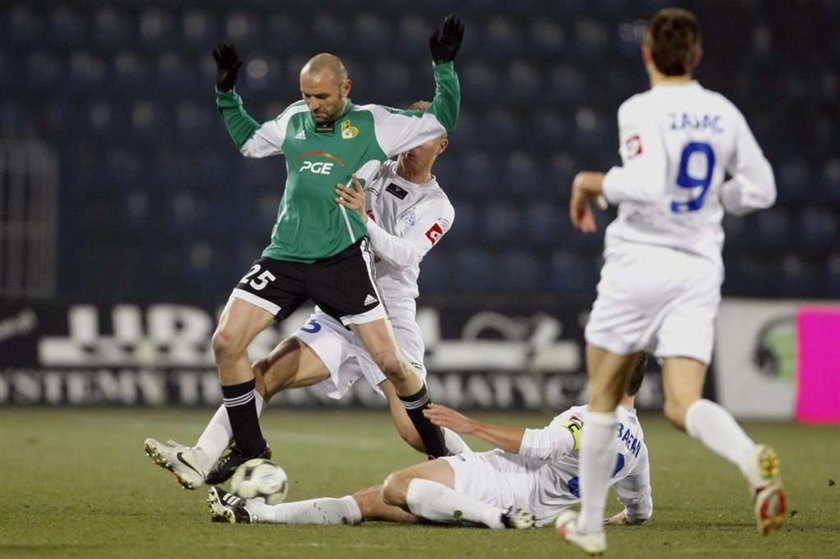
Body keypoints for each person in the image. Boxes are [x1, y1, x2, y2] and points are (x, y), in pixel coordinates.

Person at [167, 15, 465, 485]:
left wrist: (444, 66)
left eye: (321, 96)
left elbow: (406, 254)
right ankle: (221, 452)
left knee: (408, 413)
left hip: (379, 298)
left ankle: (466, 469)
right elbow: (250, 141)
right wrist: (227, 94)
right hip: (309, 277)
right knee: (248, 357)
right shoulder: (322, 135)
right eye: (307, 96)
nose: (313, 105)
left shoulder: (431, 195)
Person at [556, 8, 783, 555]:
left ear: (647, 54)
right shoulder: (721, 111)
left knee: (605, 394)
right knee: (683, 403)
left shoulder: (640, 108)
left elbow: (649, 183)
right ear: (698, 56)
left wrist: (590, 182)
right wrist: (714, 201)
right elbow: (762, 189)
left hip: (641, 259)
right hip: (699, 265)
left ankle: (589, 524)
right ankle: (749, 456)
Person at [206, 359, 652, 531]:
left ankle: (490, 518)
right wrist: (616, 519)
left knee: (396, 487)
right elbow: (641, 510)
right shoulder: (637, 447)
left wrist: (471, 424)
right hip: (531, 504)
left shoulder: (589, 418)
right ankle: (254, 512)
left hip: (503, 489)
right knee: (367, 503)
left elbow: (542, 445)